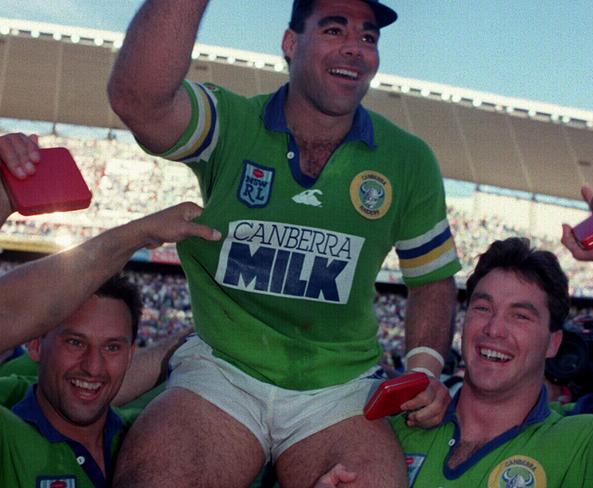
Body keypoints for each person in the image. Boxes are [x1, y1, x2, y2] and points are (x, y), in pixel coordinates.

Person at [107, 1, 461, 486]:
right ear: (290, 43)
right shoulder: (232, 123)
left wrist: (424, 369)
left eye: (368, 37)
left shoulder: (409, 159)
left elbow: (432, 279)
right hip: (222, 370)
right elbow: (139, 100)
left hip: (340, 390)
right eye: (335, 29)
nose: (355, 49)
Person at [387, 185, 593, 486]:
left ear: (554, 343)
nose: (494, 329)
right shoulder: (398, 419)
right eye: (483, 308)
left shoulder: (584, 447)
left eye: (520, 316)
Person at [0, 132, 221, 486]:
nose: (93, 365)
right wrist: (138, 233)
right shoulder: (8, 437)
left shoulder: (153, 439)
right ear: (36, 344)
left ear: (131, 353)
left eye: (113, 347)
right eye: (75, 342)